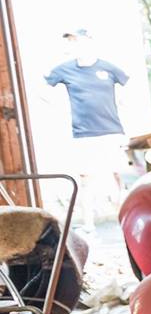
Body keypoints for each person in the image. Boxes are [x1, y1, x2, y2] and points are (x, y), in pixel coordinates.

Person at [44, 29, 130, 230]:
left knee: (117, 174)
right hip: (84, 133)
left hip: (111, 129)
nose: (75, 45)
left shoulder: (107, 68)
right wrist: (57, 109)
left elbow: (127, 89)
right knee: (85, 179)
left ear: (89, 41)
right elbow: (42, 86)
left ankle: (124, 220)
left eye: (77, 40)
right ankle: (89, 223)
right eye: (71, 41)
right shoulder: (65, 70)